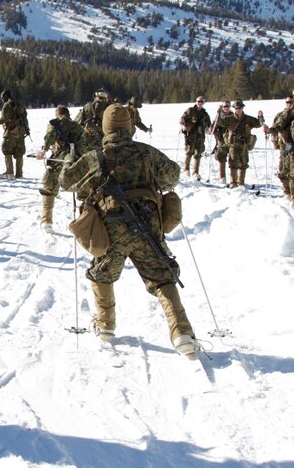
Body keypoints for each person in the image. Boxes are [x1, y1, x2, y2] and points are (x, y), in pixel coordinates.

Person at [59, 104, 199, 358]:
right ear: (129, 127)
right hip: (148, 226)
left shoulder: (95, 157)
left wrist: (69, 160)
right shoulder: (148, 153)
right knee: (162, 277)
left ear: (105, 128)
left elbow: (66, 182)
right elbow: (172, 178)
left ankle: (105, 326)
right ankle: (182, 333)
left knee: (102, 274)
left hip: (110, 229)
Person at [35, 106, 86, 229]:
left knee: (49, 187)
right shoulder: (77, 126)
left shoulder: (55, 123)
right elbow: (84, 144)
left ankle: (46, 220)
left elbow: (49, 137)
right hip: (75, 161)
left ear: (58, 114)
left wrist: (43, 151)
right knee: (83, 191)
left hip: (59, 160)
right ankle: (85, 221)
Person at [218, 100, 264, 187]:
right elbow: (220, 121)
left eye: (240, 108)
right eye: (236, 108)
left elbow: (259, 124)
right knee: (233, 164)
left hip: (244, 145)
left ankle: (241, 183)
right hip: (233, 144)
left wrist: (260, 116)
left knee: (243, 164)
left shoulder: (248, 118)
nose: (238, 110)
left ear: (243, 108)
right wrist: (220, 111)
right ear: (234, 109)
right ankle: (233, 183)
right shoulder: (230, 118)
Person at [0, 89, 30, 178]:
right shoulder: (19, 103)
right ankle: (19, 174)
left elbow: (4, 119)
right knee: (19, 153)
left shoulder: (7, 105)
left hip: (11, 131)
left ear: (5, 97)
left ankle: (9, 172)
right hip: (21, 131)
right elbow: (25, 116)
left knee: (7, 150)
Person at [179, 96, 212, 178]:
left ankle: (195, 172)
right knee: (189, 151)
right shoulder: (190, 110)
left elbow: (209, 124)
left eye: (201, 101)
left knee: (198, 153)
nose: (199, 103)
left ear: (204, 102)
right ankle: (186, 169)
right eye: (198, 101)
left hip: (200, 136)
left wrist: (209, 128)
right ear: (196, 101)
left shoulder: (205, 113)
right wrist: (182, 121)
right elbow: (183, 117)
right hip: (191, 135)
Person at [210, 100, 231, 184]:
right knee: (221, 156)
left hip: (231, 139)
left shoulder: (233, 115)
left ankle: (234, 179)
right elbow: (213, 125)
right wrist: (212, 129)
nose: (226, 108)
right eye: (224, 106)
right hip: (222, 139)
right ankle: (222, 177)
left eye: (228, 106)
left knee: (234, 158)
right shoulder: (219, 116)